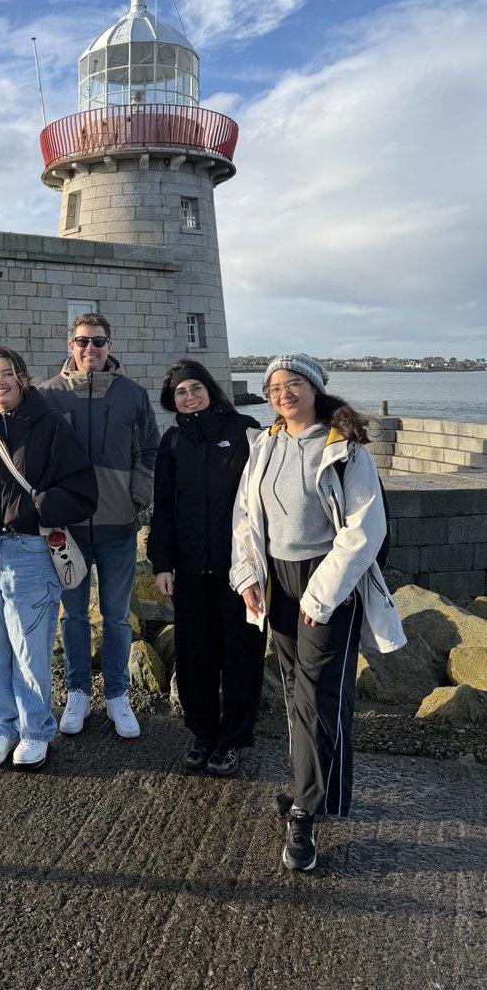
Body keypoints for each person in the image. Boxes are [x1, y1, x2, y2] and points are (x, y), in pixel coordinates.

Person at [231, 353, 406, 873]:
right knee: (295, 689)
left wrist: (322, 594)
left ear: (314, 388)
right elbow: (246, 514)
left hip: (327, 579)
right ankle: (319, 792)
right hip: (276, 580)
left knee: (317, 693)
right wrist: (247, 577)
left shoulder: (344, 449)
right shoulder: (264, 444)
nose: (284, 393)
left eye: (294, 384)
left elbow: (364, 530)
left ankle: (306, 809)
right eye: (275, 387)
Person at [0, 347, 97, 769]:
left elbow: (83, 489)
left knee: (30, 649)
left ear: (24, 379)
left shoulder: (50, 428)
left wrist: (38, 508)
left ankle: (34, 729)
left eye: (8, 373)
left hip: (29, 552)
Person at [39, 313, 160, 740]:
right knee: (71, 614)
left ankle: (117, 695)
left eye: (98, 341)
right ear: (69, 346)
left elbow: (150, 450)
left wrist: (138, 498)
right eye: (82, 341)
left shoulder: (133, 395)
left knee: (116, 616)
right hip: (65, 532)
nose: (90, 348)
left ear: (110, 346)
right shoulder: (47, 395)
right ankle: (76, 692)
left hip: (117, 527)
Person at [147, 361, 263, 776]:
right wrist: (162, 563)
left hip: (241, 570)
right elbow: (164, 509)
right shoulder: (173, 441)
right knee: (195, 655)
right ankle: (202, 731)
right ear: (171, 400)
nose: (189, 396)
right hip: (190, 568)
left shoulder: (246, 430)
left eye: (196, 387)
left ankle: (232, 738)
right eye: (180, 392)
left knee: (241, 655)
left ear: (211, 389)